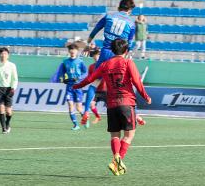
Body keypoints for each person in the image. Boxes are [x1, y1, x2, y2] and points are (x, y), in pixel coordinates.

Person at [73, 39, 151, 176]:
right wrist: (146, 96)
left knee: (115, 135)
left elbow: (90, 79)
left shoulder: (104, 64)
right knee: (129, 135)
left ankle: (116, 158)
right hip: (126, 102)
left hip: (112, 105)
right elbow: (137, 82)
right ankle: (116, 161)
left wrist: (77, 86)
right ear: (126, 51)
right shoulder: (128, 62)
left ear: (112, 51)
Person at [81, 0, 136, 126]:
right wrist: (127, 56)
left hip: (105, 53)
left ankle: (85, 111)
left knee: (94, 83)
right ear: (130, 10)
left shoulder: (108, 16)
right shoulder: (131, 23)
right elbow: (130, 44)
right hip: (118, 56)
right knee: (124, 85)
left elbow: (95, 30)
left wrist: (88, 44)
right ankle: (131, 113)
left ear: (119, 7)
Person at [58, 43, 87, 130]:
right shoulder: (65, 62)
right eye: (71, 50)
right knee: (70, 105)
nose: (72, 51)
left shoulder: (80, 62)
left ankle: (85, 117)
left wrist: (78, 78)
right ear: (69, 51)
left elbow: (85, 72)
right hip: (69, 87)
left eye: (74, 50)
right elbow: (61, 73)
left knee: (79, 108)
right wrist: (63, 79)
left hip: (78, 86)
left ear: (77, 51)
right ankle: (75, 125)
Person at [87, 48, 107, 125]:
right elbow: (89, 78)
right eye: (94, 55)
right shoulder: (91, 67)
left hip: (107, 90)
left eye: (98, 55)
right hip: (98, 90)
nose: (96, 57)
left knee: (114, 108)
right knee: (91, 104)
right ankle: (98, 117)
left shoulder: (105, 65)